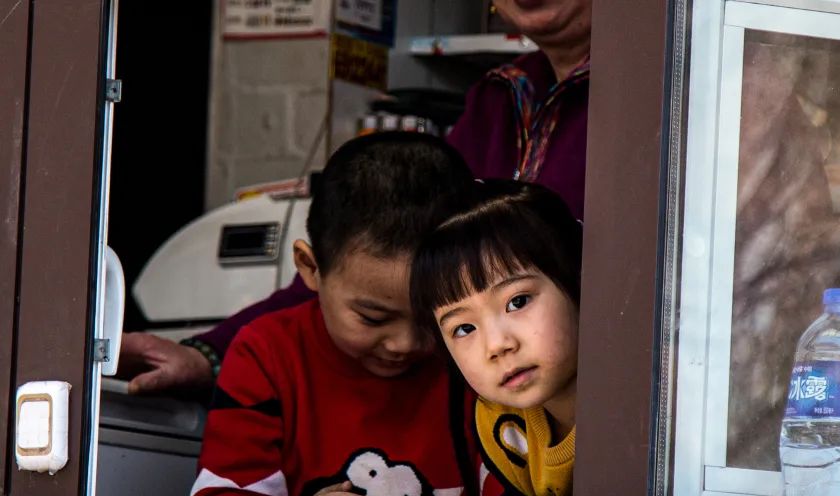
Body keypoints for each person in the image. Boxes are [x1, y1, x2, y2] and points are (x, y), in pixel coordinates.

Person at [120, 0, 592, 397]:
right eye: (374, 318)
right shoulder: (497, 98)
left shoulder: (640, 91)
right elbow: (352, 267)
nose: (403, 343)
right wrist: (207, 354)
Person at [188, 132, 477, 496]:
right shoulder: (266, 355)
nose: (404, 343)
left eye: (434, 317)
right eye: (373, 318)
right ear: (310, 268)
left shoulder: (482, 355)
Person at [410, 180, 581, 496]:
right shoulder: (501, 423)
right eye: (464, 328)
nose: (497, 345)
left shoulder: (642, 407)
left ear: (579, 280)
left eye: (518, 302)